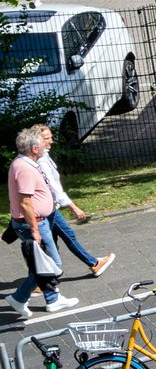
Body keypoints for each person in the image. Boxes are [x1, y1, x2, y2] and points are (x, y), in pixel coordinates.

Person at [5, 129, 76, 318]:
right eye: (42, 144)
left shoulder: (26, 163)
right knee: (52, 264)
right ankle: (19, 297)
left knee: (43, 264)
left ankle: (53, 299)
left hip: (37, 221)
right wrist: (35, 230)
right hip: (33, 224)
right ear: (35, 149)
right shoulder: (25, 168)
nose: (47, 145)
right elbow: (25, 202)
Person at [31, 125, 112, 277]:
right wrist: (74, 207)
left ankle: (45, 277)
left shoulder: (43, 156)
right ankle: (93, 264)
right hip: (49, 209)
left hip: (49, 207)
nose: (52, 141)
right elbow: (55, 189)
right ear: (38, 141)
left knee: (51, 243)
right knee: (66, 236)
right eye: (47, 138)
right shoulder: (41, 161)